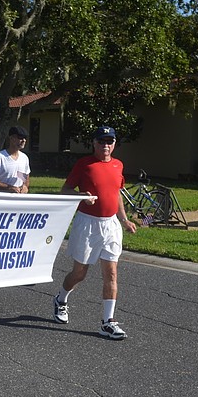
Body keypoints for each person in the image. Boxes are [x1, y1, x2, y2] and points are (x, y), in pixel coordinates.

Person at [52, 126, 138, 340]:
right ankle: (61, 299)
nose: (106, 145)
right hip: (87, 224)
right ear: (94, 143)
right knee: (79, 273)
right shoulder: (84, 165)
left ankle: (107, 322)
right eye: (102, 141)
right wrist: (82, 195)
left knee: (111, 273)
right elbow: (65, 190)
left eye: (110, 141)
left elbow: (116, 193)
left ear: (114, 144)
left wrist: (124, 219)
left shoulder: (118, 165)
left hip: (111, 225)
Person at [0, 126, 31, 193]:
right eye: (20, 138)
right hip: (1, 200)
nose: (24, 140)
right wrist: (8, 188)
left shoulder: (24, 158)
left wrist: (25, 187)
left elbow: (25, 178)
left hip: (18, 200)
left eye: (25, 138)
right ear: (12, 138)